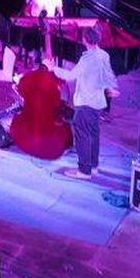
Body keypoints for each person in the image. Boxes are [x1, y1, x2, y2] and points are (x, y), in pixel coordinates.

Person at [49, 26, 119, 180]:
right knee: (93, 134)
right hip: (98, 103)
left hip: (86, 103)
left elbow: (70, 76)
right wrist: (113, 87)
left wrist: (53, 68)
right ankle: (93, 166)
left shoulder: (87, 59)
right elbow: (108, 74)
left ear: (85, 40)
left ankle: (84, 171)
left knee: (82, 135)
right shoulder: (104, 55)